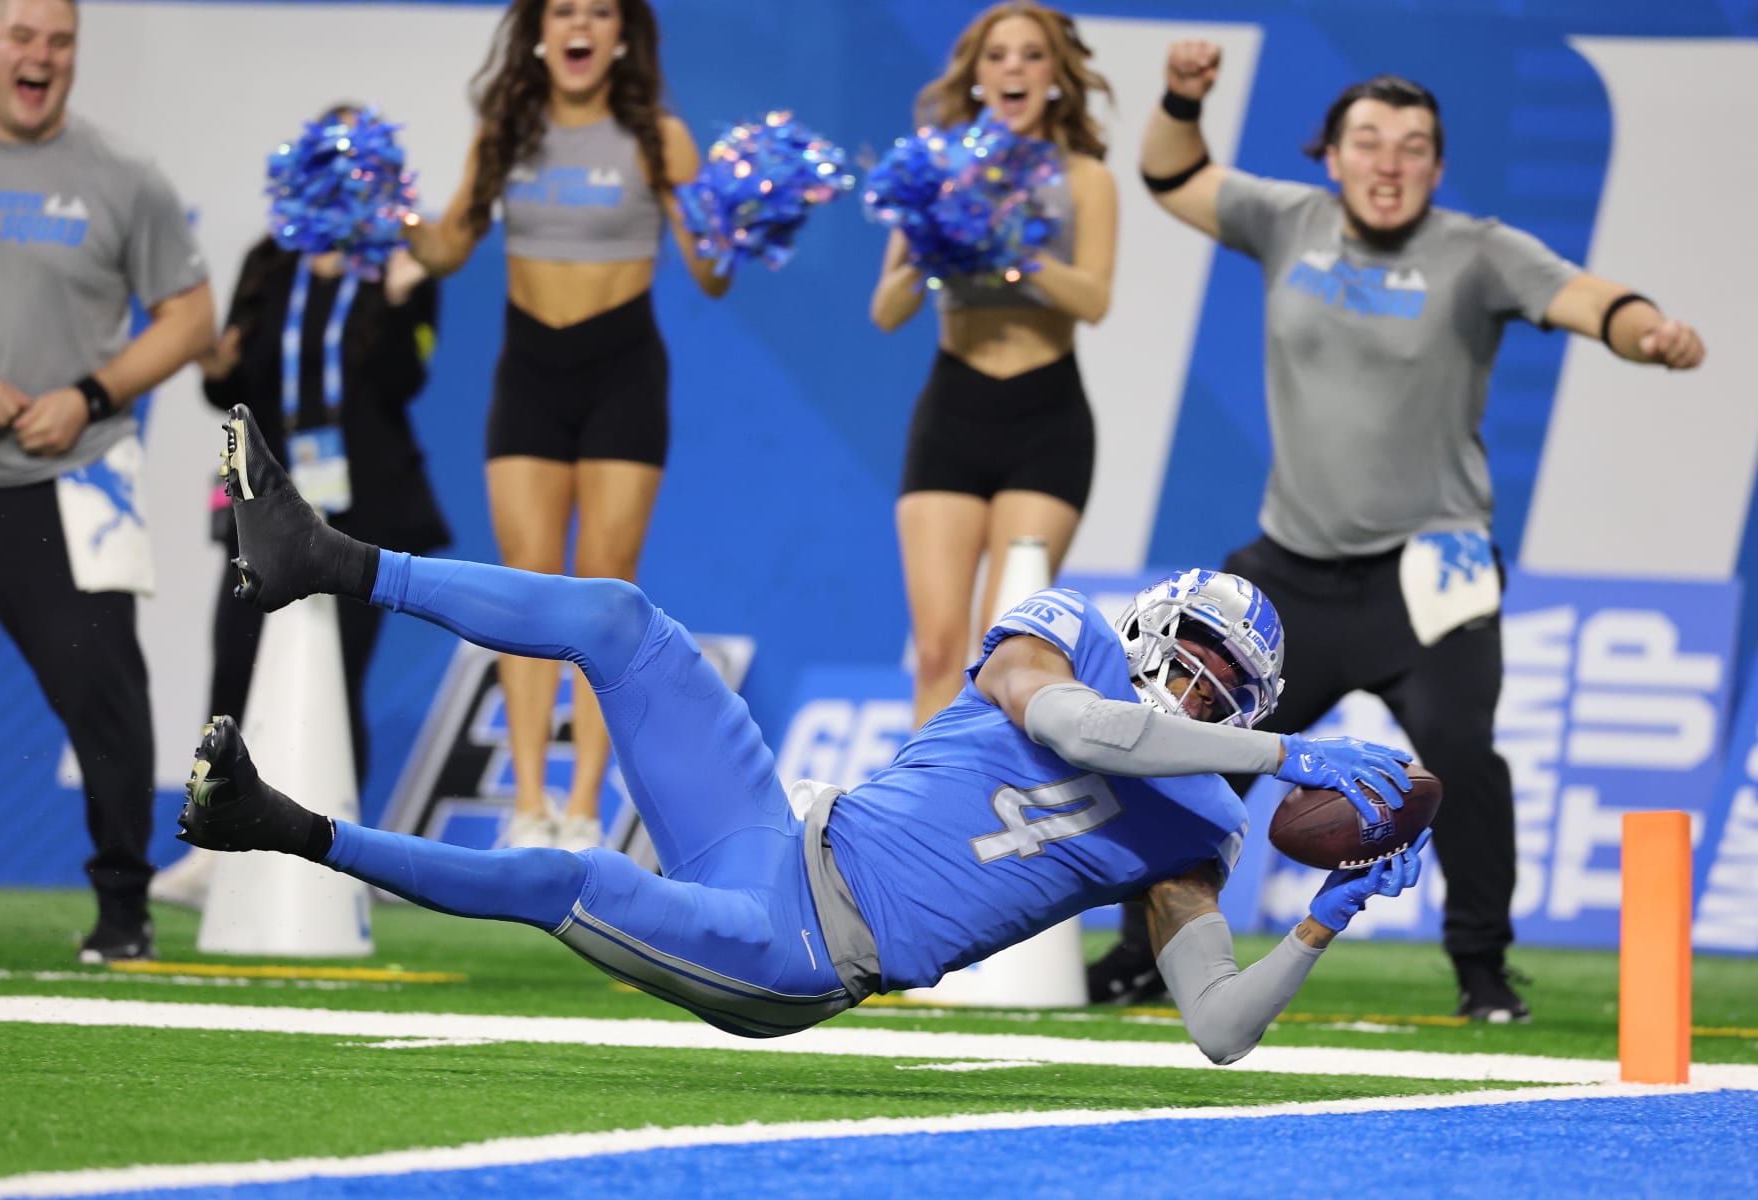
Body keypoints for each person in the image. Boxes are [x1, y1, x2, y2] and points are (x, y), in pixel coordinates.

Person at [179, 404, 1429, 1054]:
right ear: (1152, 623)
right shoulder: (1075, 635)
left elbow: (1217, 1030)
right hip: (777, 840)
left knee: (569, 874)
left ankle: (280, 825)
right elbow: (1078, 726)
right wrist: (1290, 755)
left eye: (1223, 685)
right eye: (1191, 656)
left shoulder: (1196, 834)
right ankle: (326, 557)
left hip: (794, 953)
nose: (1194, 687)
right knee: (618, 617)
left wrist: (1326, 917)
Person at [1094, 42, 1709, 1022]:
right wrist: (1181, 95)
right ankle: (1143, 954)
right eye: (1368, 142)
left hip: (1438, 564)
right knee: (1198, 757)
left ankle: (1483, 973)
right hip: (1290, 569)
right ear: (1330, 156)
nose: (1389, 163)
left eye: (1413, 147)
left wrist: (1648, 331)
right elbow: (1171, 172)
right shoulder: (1285, 221)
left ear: (1437, 164)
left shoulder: (1479, 250)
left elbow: (1590, 299)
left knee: (1462, 754)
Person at [399, 0, 730, 854]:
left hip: (623, 372)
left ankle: (582, 808)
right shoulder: (504, 132)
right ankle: (528, 810)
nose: (580, 25)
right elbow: (445, 248)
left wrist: (742, 224)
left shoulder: (663, 137)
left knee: (604, 587)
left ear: (622, 34)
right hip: (529, 375)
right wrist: (390, 211)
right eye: (563, 10)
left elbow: (712, 272)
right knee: (525, 587)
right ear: (540, 32)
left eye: (599, 11)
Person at [0, 0, 214, 961]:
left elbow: (190, 317)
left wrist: (91, 394)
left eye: (58, 41)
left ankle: (123, 916)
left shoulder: (124, 178)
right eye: (21, 36)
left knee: (106, 701)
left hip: (66, 485)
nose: (40, 56)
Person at [151, 188, 449, 909]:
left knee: (337, 678)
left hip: (363, 509)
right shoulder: (269, 256)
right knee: (235, 665)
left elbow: (405, 379)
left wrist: (405, 296)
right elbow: (228, 380)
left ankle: (343, 852)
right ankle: (211, 840)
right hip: (265, 499)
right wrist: (214, 365)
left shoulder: (401, 266)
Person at [870, 1, 1118, 731]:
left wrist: (1014, 245)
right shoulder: (932, 170)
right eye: (998, 56)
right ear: (976, 77)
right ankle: (911, 823)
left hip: (1046, 422)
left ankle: (976, 828)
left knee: (1002, 648)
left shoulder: (1084, 178)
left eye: (1032, 56)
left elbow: (1095, 299)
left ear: (1054, 76)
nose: (1015, 69)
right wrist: (930, 235)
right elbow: (885, 310)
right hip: (952, 413)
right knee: (940, 646)